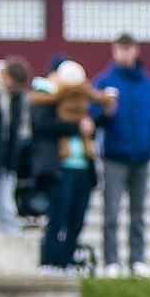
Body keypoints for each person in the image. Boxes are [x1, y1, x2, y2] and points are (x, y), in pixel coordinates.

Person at [93, 35, 150, 277]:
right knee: (111, 213)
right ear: (114, 50)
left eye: (128, 49)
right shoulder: (104, 82)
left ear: (136, 51)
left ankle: (137, 259)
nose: (124, 54)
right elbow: (92, 117)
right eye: (120, 49)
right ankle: (111, 260)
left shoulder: (148, 84)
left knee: (138, 213)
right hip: (114, 156)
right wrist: (104, 113)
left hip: (141, 157)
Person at [29, 59, 106, 273]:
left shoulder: (81, 103)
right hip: (60, 168)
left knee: (76, 218)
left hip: (83, 168)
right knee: (57, 216)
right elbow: (44, 126)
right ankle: (49, 260)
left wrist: (94, 122)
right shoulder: (47, 99)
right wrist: (75, 126)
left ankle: (66, 260)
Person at [0, 56, 31, 238]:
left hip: (4, 161)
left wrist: (12, 160)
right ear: (5, 75)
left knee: (7, 209)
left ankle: (15, 247)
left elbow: (15, 129)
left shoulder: (16, 96)